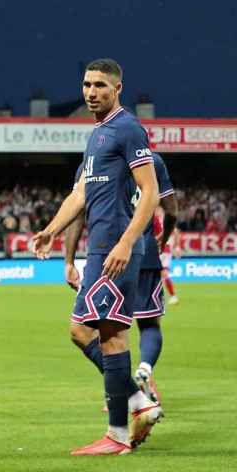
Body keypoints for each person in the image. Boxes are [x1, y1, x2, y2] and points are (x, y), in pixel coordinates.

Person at [31, 58, 162, 455]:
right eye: (87, 84)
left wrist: (124, 242)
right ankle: (139, 403)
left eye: (100, 85)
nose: (91, 92)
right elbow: (81, 194)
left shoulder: (126, 129)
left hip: (114, 249)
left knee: (111, 335)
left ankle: (118, 434)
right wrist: (51, 231)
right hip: (99, 249)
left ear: (117, 88)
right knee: (83, 331)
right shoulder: (98, 135)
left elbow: (151, 192)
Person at [63, 152, 178, 406]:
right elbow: (171, 210)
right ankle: (143, 371)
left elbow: (78, 212)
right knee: (148, 324)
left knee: (105, 329)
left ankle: (119, 389)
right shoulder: (152, 161)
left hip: (107, 253)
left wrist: (69, 260)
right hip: (144, 250)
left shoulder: (89, 163)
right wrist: (165, 237)